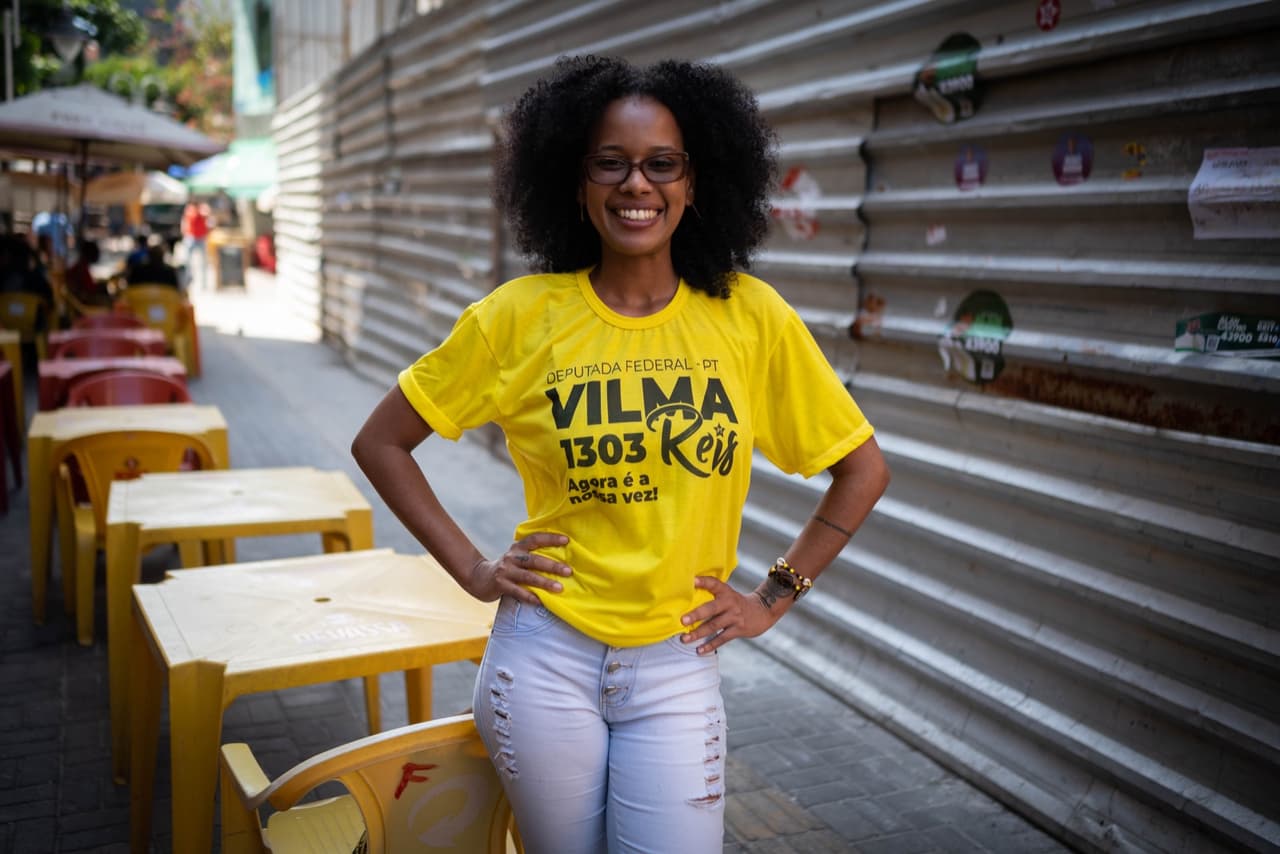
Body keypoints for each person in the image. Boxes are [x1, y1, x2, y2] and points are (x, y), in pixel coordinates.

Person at [351, 55, 889, 854]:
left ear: (696, 183)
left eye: (661, 164)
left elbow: (862, 470)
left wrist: (771, 600)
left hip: (677, 662)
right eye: (611, 162)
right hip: (544, 657)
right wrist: (473, 570)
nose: (637, 184)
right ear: (575, 183)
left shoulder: (749, 317)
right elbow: (382, 441)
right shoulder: (519, 317)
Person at [180, 201, 210, 291]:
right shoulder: (190, 210)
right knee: (187, 261)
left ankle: (204, 284)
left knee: (203, 262)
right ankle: (187, 282)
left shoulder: (203, 209)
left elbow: (207, 217)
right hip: (191, 237)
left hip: (200, 237)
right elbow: (185, 221)